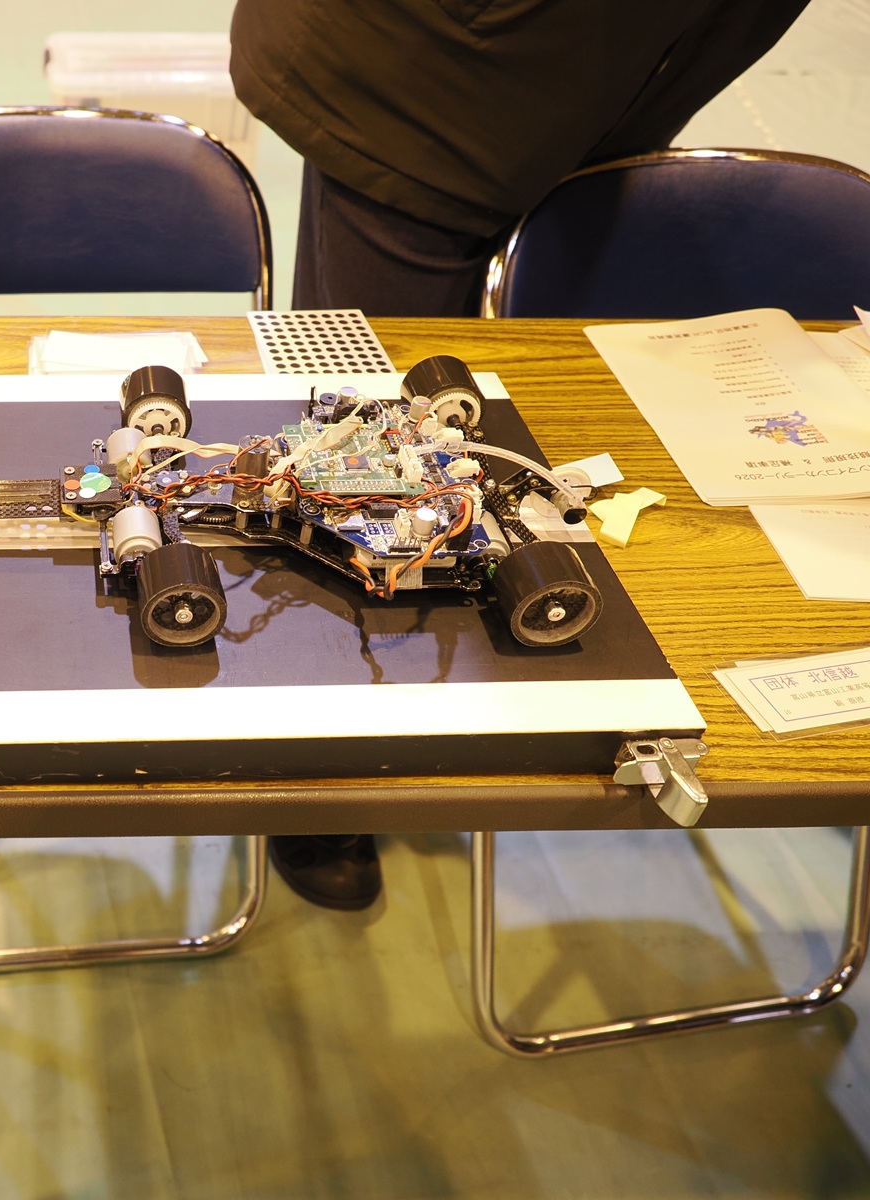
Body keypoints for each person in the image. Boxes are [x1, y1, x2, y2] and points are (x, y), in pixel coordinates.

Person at [229, 0, 812, 907]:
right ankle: (327, 780)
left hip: (617, 78)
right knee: (366, 430)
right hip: (427, 82)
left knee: (516, 422)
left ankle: (508, 695)